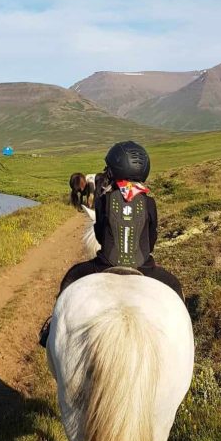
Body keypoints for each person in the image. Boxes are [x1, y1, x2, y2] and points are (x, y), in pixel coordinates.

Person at [40, 140, 183, 345]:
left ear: (114, 169)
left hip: (105, 263)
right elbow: (151, 239)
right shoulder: (149, 202)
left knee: (70, 279)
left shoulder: (104, 199)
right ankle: (187, 334)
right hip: (144, 266)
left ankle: (51, 328)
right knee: (175, 286)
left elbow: (100, 235)